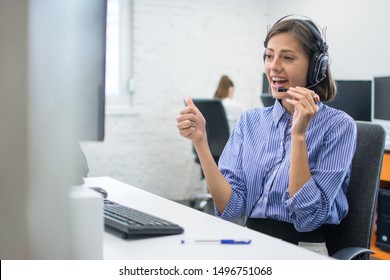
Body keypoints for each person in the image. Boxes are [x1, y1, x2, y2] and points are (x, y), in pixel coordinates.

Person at [176, 16, 357, 256]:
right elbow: (230, 208)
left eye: (288, 57)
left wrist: (299, 135)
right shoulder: (250, 121)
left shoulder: (339, 126)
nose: (273, 66)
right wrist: (201, 142)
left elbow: (308, 216)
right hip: (250, 242)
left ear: (316, 67)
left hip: (303, 250)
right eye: (269, 56)